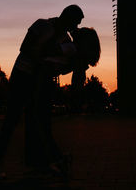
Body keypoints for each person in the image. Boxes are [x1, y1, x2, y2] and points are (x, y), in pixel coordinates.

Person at [0, 5, 84, 178]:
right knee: (12, 118)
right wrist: (44, 59)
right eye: (75, 23)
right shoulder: (42, 25)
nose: (75, 28)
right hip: (22, 74)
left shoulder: (66, 41)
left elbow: (60, 63)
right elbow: (25, 47)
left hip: (40, 80)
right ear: (67, 17)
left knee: (40, 123)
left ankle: (42, 161)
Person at [28, 27, 101, 176]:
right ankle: (52, 160)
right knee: (40, 124)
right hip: (39, 77)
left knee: (39, 123)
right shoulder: (71, 48)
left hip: (39, 78)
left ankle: (49, 160)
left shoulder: (73, 49)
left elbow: (78, 78)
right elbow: (77, 78)